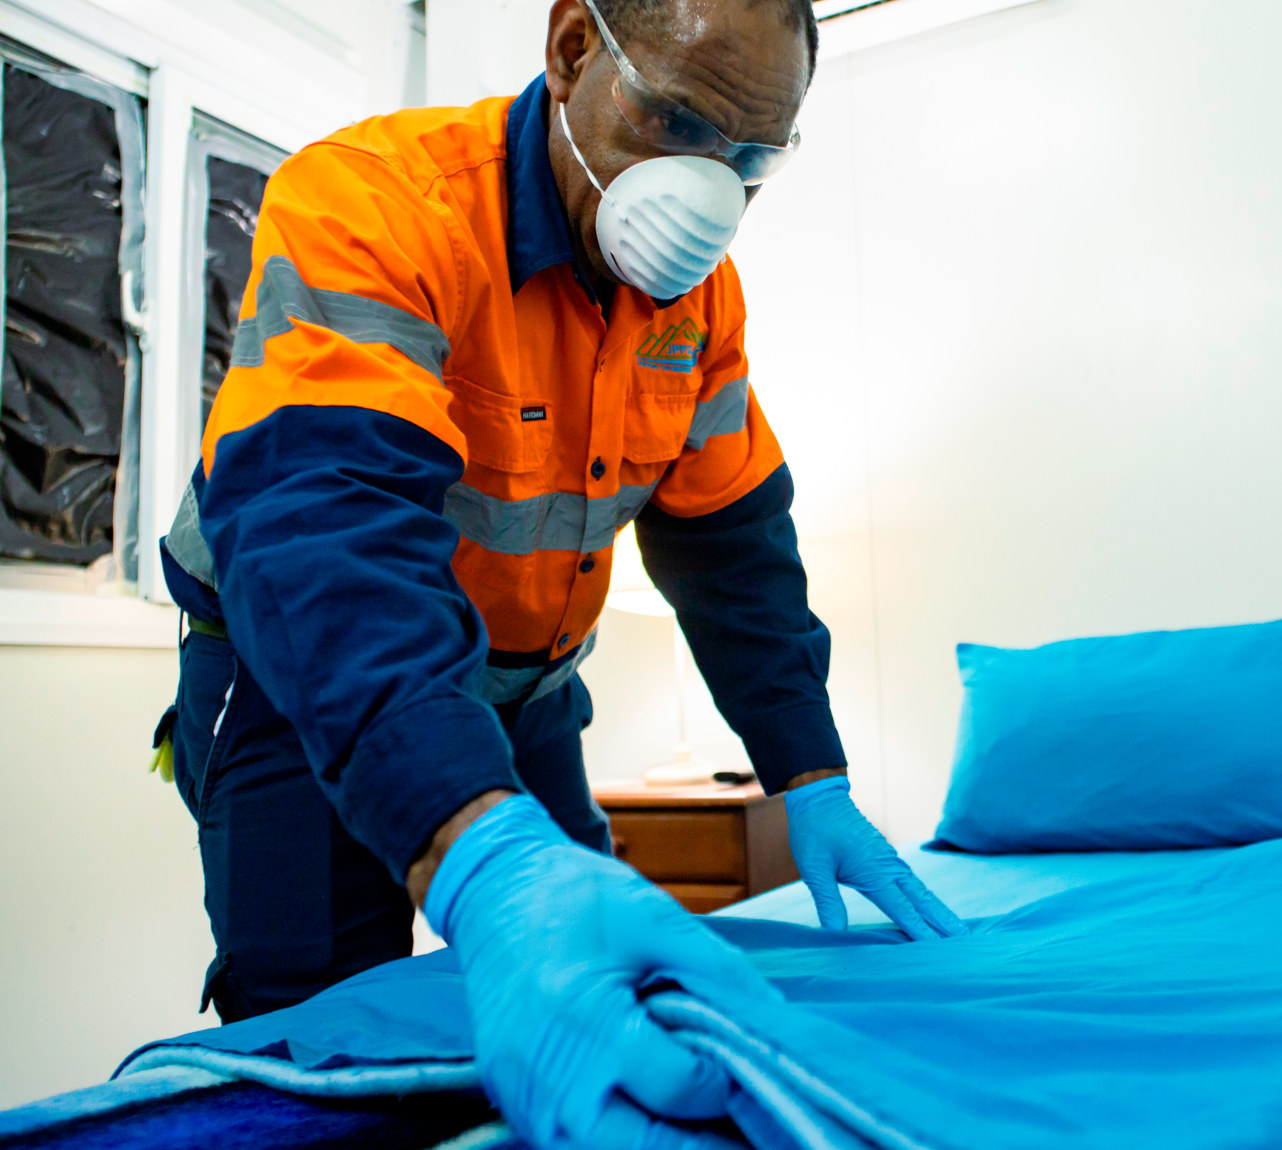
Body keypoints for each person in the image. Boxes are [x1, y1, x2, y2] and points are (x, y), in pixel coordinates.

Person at [151, 0, 963, 1143]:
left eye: (749, 160)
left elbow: (732, 544)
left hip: (529, 685)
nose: (706, 193)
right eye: (678, 121)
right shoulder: (376, 202)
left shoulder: (699, 299)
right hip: (303, 666)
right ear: (573, 47)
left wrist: (810, 774)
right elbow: (327, 527)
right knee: (324, 1022)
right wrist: (475, 848)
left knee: (603, 962)